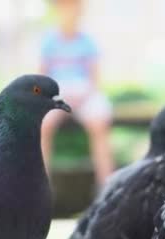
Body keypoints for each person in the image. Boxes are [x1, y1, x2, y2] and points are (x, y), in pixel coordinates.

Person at [40, 0, 114, 188]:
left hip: (85, 92)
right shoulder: (48, 41)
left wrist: (82, 96)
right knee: (41, 125)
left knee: (99, 123)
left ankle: (107, 187)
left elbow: (94, 79)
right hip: (56, 92)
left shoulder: (87, 41)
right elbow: (41, 77)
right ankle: (40, 187)